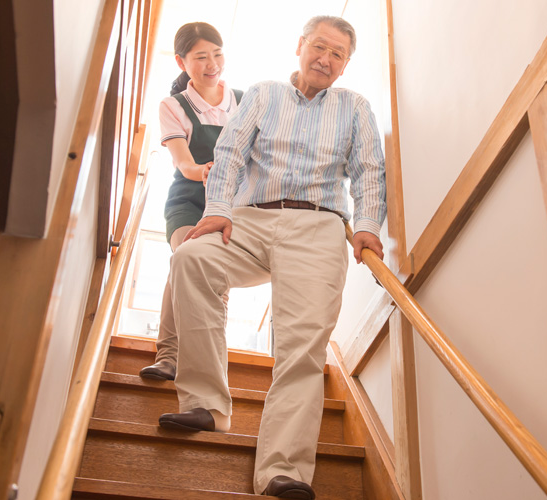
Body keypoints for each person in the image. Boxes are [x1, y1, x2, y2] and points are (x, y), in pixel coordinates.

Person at [158, 15, 386, 499]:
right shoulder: (264, 93)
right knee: (191, 260)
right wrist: (218, 210)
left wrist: (367, 225)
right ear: (300, 45)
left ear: (345, 65)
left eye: (338, 54)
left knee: (301, 348)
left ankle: (284, 470)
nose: (325, 59)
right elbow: (230, 153)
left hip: (319, 227)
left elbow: (369, 169)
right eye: (319, 46)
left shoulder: (355, 107)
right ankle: (206, 405)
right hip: (251, 218)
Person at [139, 22, 242, 381]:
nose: (212, 64)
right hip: (189, 200)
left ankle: (204, 364)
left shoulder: (244, 101)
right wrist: (207, 170)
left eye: (217, 54)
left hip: (232, 207)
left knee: (214, 275)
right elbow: (184, 164)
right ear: (182, 62)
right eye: (201, 57)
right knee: (186, 258)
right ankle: (169, 356)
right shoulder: (173, 105)